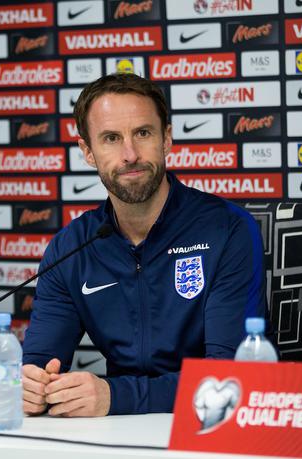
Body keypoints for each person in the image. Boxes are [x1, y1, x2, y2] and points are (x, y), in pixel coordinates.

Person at [22, 73, 266, 416]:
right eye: (110, 138)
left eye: (143, 133)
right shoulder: (71, 247)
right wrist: (32, 387)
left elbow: (234, 379)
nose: (130, 154)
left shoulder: (227, 229)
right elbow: (39, 364)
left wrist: (116, 397)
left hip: (214, 431)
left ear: (166, 139)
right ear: (88, 152)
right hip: (119, 436)